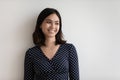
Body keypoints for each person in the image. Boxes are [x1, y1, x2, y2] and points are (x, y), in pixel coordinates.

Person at [24, 8, 79, 80]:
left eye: (57, 23)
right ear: (40, 25)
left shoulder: (69, 49)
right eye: (49, 22)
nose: (53, 26)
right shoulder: (31, 53)